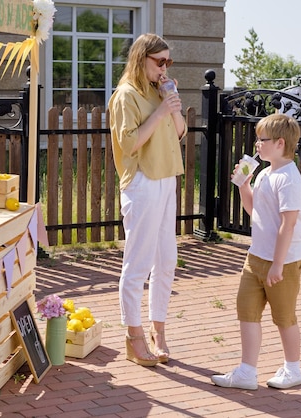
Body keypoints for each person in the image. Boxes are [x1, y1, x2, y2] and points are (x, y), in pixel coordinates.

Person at [211, 113, 301, 390]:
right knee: (247, 311)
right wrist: (244, 185)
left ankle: (293, 370)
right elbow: (255, 212)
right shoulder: (266, 173)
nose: (256, 144)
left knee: (284, 317)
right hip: (256, 257)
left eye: (261, 139)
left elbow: (288, 224)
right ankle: (246, 372)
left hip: (284, 261)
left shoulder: (289, 178)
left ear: (279, 143)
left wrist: (277, 265)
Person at [108, 33, 187, 367]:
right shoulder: (126, 96)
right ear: (141, 59)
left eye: (168, 61)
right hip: (142, 181)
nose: (164, 68)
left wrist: (173, 104)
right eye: (160, 61)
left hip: (166, 177)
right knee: (138, 263)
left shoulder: (161, 91)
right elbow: (129, 144)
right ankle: (133, 335)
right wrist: (159, 113)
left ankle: (159, 329)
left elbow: (181, 132)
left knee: (166, 260)